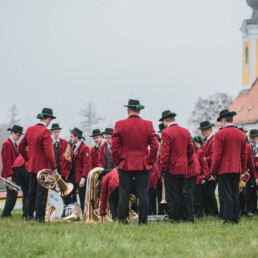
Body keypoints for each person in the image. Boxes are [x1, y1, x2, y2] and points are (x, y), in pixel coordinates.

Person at [111, 99, 159, 224]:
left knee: (124, 194)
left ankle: (122, 220)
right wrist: (150, 161)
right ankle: (142, 222)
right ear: (139, 110)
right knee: (143, 194)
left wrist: (117, 161)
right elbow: (155, 146)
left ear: (128, 110)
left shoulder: (120, 124)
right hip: (143, 164)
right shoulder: (148, 124)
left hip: (125, 164)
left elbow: (114, 147)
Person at [19, 108, 57, 222]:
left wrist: (29, 158)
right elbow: (49, 153)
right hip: (43, 169)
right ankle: (40, 218)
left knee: (31, 192)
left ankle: (27, 215)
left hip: (31, 167)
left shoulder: (30, 129)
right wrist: (54, 167)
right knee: (42, 193)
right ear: (49, 119)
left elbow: (20, 146)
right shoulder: (45, 132)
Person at [211, 109, 247, 224]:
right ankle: (236, 218)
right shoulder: (241, 134)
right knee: (235, 193)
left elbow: (217, 155)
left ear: (223, 121)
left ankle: (228, 218)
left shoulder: (220, 134)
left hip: (223, 169)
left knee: (226, 194)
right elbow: (244, 154)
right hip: (237, 168)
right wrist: (242, 169)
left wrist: (213, 171)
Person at [159, 110, 195, 223]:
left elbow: (164, 154)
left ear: (165, 121)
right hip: (183, 167)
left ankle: (175, 217)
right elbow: (191, 150)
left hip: (171, 168)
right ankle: (186, 217)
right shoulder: (185, 131)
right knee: (182, 193)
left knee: (173, 194)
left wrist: (162, 169)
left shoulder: (166, 133)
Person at [63, 128, 91, 211]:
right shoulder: (72, 147)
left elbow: (87, 166)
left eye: (72, 137)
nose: (70, 138)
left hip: (80, 177)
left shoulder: (85, 148)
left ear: (77, 137)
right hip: (72, 176)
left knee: (82, 197)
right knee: (68, 195)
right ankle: (72, 212)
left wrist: (83, 179)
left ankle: (84, 214)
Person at [1, 125, 23, 217]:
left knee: (12, 195)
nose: (19, 137)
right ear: (12, 133)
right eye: (18, 135)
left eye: (20, 136)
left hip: (13, 174)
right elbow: (6, 161)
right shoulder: (7, 144)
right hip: (9, 175)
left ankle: (7, 213)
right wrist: (9, 175)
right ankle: (5, 214)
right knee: (11, 196)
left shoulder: (13, 144)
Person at [198, 121, 218, 216]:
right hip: (206, 169)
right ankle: (208, 211)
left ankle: (214, 212)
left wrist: (203, 159)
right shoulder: (204, 141)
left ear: (210, 129)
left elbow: (213, 156)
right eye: (201, 131)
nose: (202, 132)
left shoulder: (213, 140)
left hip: (211, 170)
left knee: (210, 192)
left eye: (204, 130)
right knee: (206, 192)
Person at [192, 136, 209, 217]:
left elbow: (204, 165)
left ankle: (199, 213)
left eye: (197, 143)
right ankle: (195, 211)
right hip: (193, 177)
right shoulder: (192, 152)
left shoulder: (200, 152)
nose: (195, 145)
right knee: (194, 196)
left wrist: (205, 177)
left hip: (199, 178)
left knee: (199, 196)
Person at [12, 150, 30, 219]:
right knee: (30, 192)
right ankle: (27, 213)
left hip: (17, 166)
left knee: (25, 192)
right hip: (25, 165)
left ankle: (24, 213)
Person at [248, 129, 258, 214]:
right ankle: (252, 209)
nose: (252, 139)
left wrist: (255, 165)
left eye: (254, 138)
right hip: (250, 174)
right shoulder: (248, 147)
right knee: (251, 193)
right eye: (251, 138)